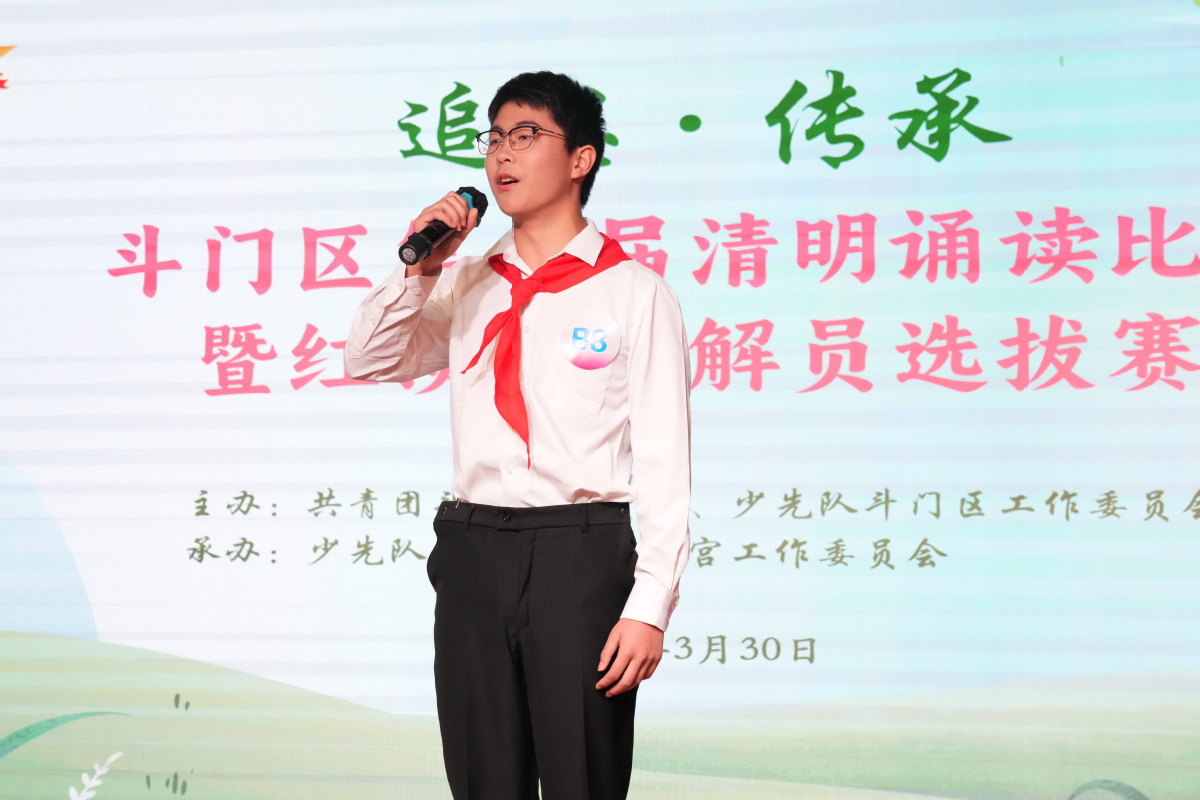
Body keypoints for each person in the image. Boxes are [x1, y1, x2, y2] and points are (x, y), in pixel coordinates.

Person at [345, 71, 691, 800]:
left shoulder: (635, 292)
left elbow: (665, 462)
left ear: (581, 159)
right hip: (472, 552)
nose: (502, 153)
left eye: (526, 135)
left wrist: (649, 606)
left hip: (580, 556)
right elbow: (369, 358)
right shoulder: (466, 281)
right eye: (495, 137)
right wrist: (422, 266)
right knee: (482, 779)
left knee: (581, 778)